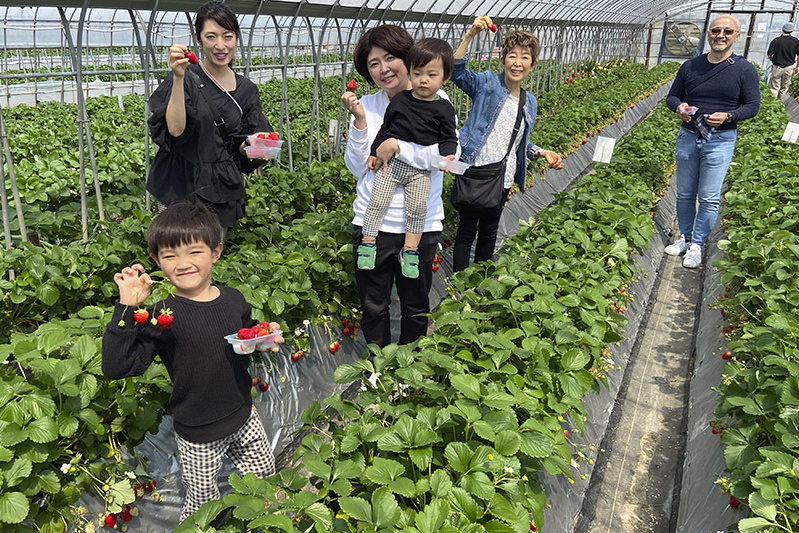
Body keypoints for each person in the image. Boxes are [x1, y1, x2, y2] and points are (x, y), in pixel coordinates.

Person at [102, 202, 279, 522]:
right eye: (170, 256)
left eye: (194, 252)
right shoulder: (162, 316)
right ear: (157, 261)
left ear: (216, 252)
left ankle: (263, 524)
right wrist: (126, 308)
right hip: (198, 432)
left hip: (244, 414)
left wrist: (262, 341)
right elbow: (119, 367)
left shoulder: (235, 299)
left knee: (265, 482)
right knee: (202, 504)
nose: (183, 264)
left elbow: (242, 341)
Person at [341, 25, 456, 347]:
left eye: (390, 58)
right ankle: (376, 368)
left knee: (416, 304)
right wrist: (361, 123)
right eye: (373, 63)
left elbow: (446, 156)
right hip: (372, 223)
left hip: (418, 224)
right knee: (373, 305)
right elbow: (355, 167)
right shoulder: (367, 104)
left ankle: (408, 368)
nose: (383, 69)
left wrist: (398, 147)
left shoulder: (438, 101)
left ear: (408, 58)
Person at [146, 0, 273, 231]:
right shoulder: (186, 76)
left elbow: (242, 148)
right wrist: (177, 77)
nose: (220, 45)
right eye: (211, 36)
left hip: (220, 189)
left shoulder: (246, 90)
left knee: (211, 254)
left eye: (227, 36)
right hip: (180, 184)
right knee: (178, 251)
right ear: (198, 39)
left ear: (236, 38)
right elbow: (174, 130)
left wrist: (257, 145)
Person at [451, 17, 564, 272]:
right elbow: (456, 71)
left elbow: (519, 141)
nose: (518, 62)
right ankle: (459, 287)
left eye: (525, 57)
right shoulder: (487, 84)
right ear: (502, 60)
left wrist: (541, 152)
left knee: (490, 231)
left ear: (533, 65)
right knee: (467, 230)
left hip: (503, 176)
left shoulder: (529, 101)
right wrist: (470, 35)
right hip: (475, 170)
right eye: (512, 55)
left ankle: (478, 283)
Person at [358, 38, 458, 280]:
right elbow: (385, 129)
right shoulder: (401, 100)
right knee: (377, 201)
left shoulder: (444, 108)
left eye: (431, 75)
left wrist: (449, 156)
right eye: (417, 73)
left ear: (445, 78)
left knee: (417, 210)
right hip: (391, 166)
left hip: (420, 173)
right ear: (410, 72)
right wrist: (374, 151)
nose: (423, 80)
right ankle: (368, 243)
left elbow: (448, 138)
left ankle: (410, 250)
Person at [665, 14, 760, 268]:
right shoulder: (691, 67)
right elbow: (672, 97)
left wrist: (729, 116)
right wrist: (679, 107)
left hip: (720, 139)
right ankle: (684, 237)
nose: (721, 35)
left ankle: (697, 244)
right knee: (685, 192)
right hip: (688, 135)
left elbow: (752, 107)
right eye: (716, 30)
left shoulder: (744, 70)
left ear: (736, 37)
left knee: (708, 196)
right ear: (708, 34)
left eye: (728, 32)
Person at [767, 22, 799, 100]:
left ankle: (773, 104)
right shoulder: (795, 41)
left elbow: (769, 54)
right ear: (791, 31)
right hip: (789, 67)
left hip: (777, 67)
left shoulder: (776, 41)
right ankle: (780, 104)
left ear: (782, 30)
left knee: (774, 88)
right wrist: (797, 67)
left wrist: (773, 60)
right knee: (784, 88)